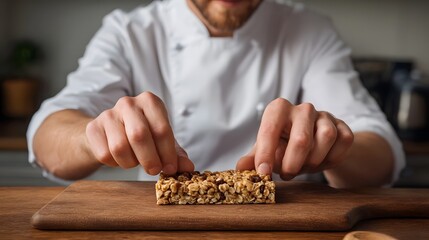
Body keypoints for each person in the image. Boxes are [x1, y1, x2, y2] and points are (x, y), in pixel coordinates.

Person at [27, 0, 405, 188]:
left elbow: (381, 150)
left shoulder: (308, 30)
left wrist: (331, 143)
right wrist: (94, 137)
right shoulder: (129, 31)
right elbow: (48, 133)